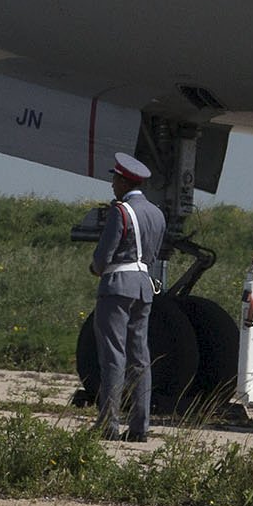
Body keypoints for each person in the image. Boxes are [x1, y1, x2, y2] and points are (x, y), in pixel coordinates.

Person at [88, 150, 166, 440]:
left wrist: (95, 268)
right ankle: (139, 426)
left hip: (117, 285)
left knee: (113, 356)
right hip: (143, 285)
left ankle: (109, 423)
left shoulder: (120, 211)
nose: (112, 185)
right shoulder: (157, 213)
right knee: (140, 357)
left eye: (115, 180)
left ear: (123, 181)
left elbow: (103, 255)